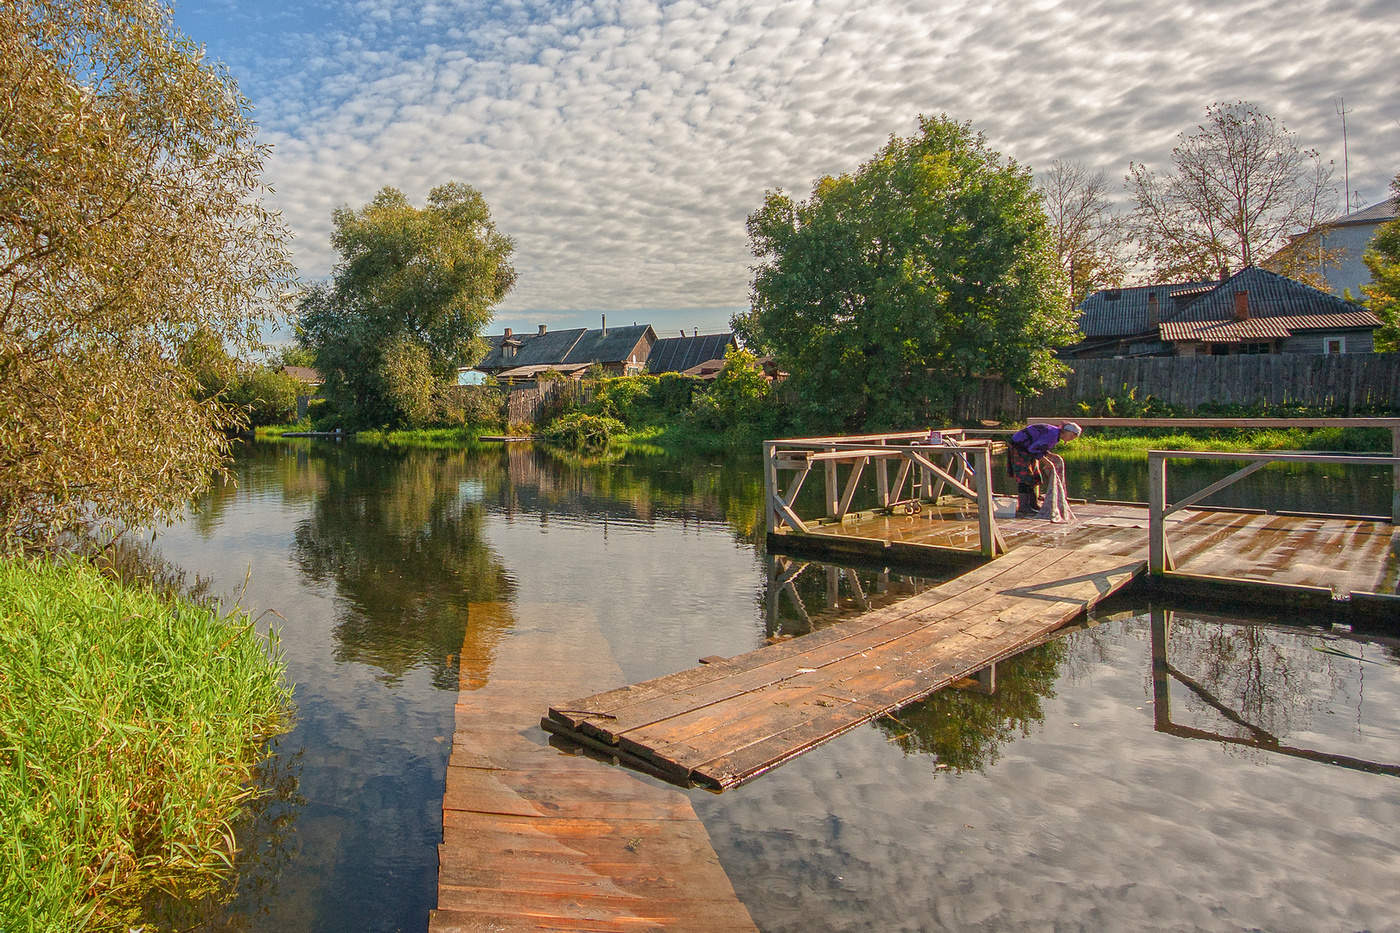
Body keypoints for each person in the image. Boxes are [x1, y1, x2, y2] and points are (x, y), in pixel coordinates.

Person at [1007, 421, 1081, 518]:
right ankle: (1023, 508)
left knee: (1035, 477)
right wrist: (1047, 462)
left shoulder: (1055, 434)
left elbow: (1040, 447)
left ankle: (1033, 505)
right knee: (1025, 477)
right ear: (1065, 431)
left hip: (1027, 449)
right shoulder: (1053, 434)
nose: (1071, 439)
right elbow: (1033, 449)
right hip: (1019, 447)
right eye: (1072, 436)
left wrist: (1049, 455)